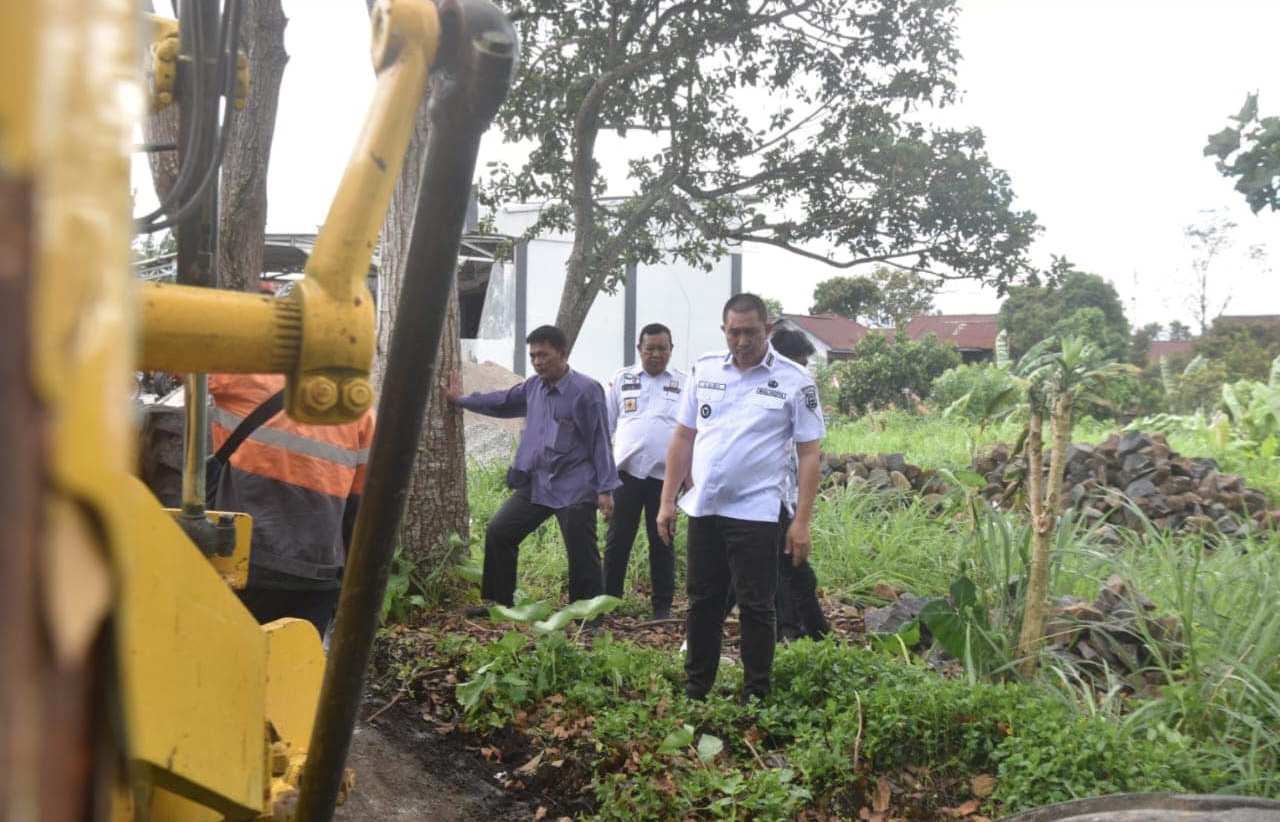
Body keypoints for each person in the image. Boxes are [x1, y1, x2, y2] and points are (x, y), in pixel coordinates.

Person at [658, 293, 825, 702]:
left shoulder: (795, 380)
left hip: (757, 512)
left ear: (767, 329)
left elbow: (809, 454)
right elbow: (683, 436)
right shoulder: (704, 369)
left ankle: (755, 693)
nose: (743, 341)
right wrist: (666, 501)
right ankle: (697, 687)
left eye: (751, 332)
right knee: (702, 601)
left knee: (756, 606)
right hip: (706, 507)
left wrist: (801, 522)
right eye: (734, 332)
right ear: (724, 330)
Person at [447, 325, 619, 612]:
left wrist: (605, 489)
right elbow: (501, 401)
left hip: (575, 486)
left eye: (544, 355)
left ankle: (588, 616)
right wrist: (461, 400)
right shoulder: (533, 387)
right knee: (500, 531)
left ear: (562, 353)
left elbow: (600, 440)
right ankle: (499, 604)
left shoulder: (586, 391)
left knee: (581, 552)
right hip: (537, 483)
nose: (538, 362)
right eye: (533, 356)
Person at [210, 373, 374, 638]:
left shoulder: (245, 377)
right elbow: (360, 510)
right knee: (298, 658)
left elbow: (175, 359)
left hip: (246, 563)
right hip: (317, 576)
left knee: (229, 655)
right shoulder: (359, 411)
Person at [602, 323, 687, 620]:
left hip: (665, 478)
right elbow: (605, 428)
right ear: (639, 349)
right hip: (625, 475)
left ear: (671, 349)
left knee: (662, 541)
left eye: (662, 348)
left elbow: (692, 434)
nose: (656, 354)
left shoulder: (684, 383)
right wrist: (602, 481)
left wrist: (688, 477)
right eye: (650, 348)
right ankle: (607, 602)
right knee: (618, 540)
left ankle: (662, 607)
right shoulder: (622, 379)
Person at [768, 328, 831, 641]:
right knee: (789, 568)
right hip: (769, 497)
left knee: (791, 566)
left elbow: (808, 453)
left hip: (788, 497)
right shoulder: (769, 392)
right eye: (801, 362)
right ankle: (796, 631)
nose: (804, 370)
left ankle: (807, 631)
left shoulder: (799, 391)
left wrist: (801, 510)